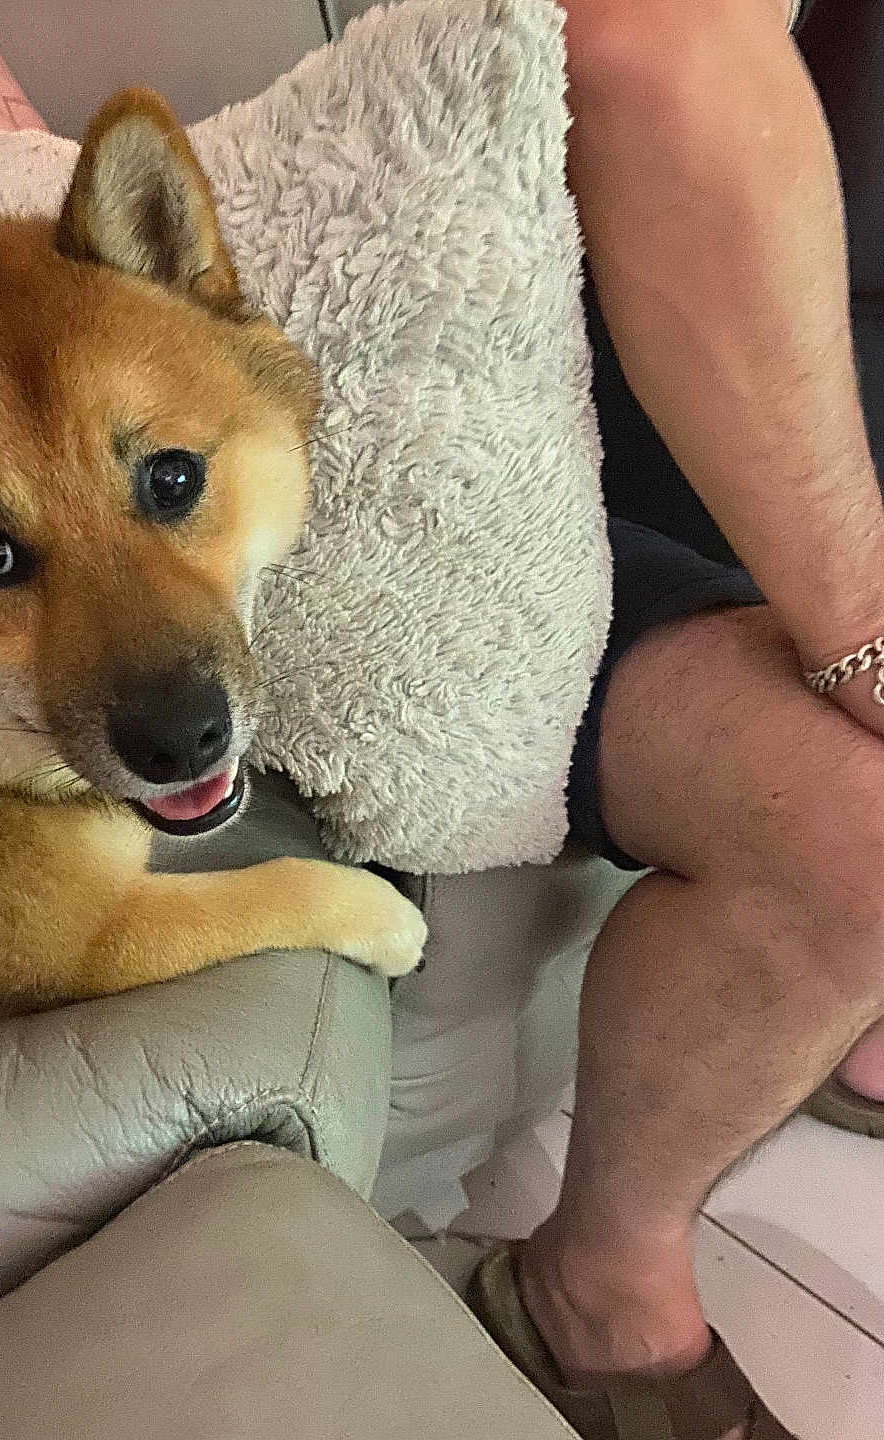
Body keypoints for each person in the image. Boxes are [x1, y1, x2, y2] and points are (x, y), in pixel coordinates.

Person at [463, 1, 884, 1436]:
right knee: (865, 840)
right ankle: (594, 1284)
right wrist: (863, 634)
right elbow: (659, 49)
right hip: (587, 477)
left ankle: (862, 1022)